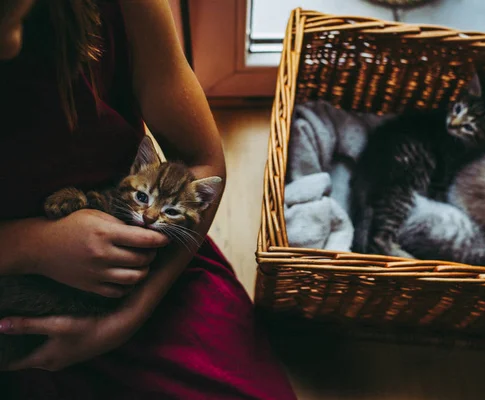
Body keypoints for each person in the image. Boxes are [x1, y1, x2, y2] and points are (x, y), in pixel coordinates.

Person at [0, 1, 297, 399]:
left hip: (143, 276)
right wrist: (29, 246)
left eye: (17, 17)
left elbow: (202, 161)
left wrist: (122, 320)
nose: (10, 44)